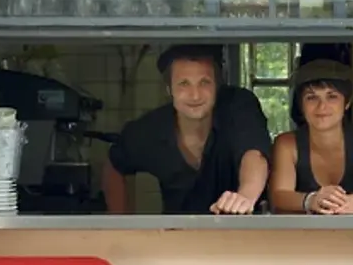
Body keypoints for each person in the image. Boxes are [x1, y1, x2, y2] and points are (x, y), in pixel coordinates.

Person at [102, 44, 272, 215]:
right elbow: (114, 165)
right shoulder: (151, 129)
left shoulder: (238, 106)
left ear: (217, 86)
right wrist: (121, 223)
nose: (195, 95)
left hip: (239, 225)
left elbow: (254, 154)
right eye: (184, 84)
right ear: (169, 90)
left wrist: (245, 197)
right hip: (177, 229)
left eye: (204, 82)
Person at [269, 58, 353, 215]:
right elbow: (279, 196)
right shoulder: (287, 144)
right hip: (304, 231)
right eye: (311, 97)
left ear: (347, 102)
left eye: (332, 96)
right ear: (301, 105)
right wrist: (310, 200)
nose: (322, 106)